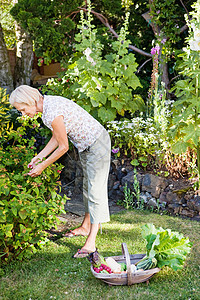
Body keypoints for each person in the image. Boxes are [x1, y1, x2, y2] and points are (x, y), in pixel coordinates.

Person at [9, 85, 111, 258]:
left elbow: (63, 147)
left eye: (23, 109)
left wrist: (43, 166)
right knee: (88, 187)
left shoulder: (52, 112)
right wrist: (39, 158)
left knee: (95, 191)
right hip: (87, 146)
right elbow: (57, 137)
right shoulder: (47, 107)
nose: (23, 113)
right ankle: (86, 227)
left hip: (97, 144)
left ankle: (91, 243)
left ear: (30, 101)